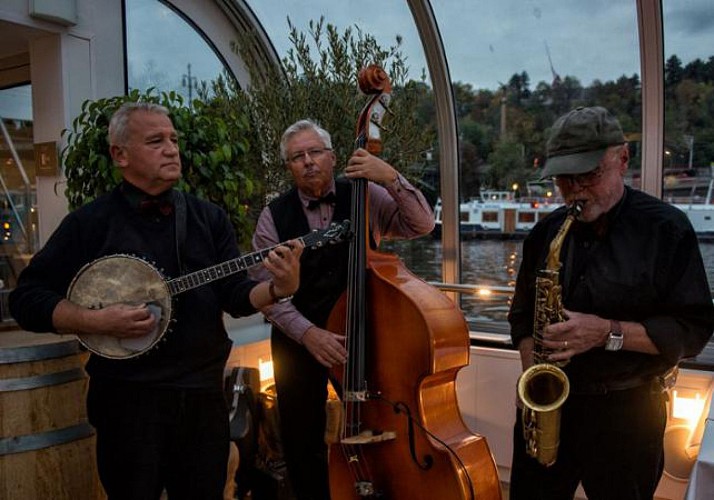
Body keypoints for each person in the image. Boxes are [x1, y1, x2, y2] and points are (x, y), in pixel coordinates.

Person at [9, 102, 304, 500]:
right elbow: (26, 298)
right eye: (156, 141)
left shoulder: (207, 218)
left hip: (200, 400)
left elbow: (234, 294)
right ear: (120, 155)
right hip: (127, 403)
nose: (171, 149)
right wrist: (93, 321)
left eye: (173, 140)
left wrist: (277, 288)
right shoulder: (89, 223)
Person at [508, 105, 714, 499]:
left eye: (587, 175)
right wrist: (536, 384)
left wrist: (607, 333)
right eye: (563, 180)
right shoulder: (545, 233)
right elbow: (521, 316)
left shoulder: (666, 230)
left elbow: (691, 330)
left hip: (627, 414)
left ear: (622, 159)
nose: (574, 191)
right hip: (550, 408)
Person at [249, 119, 435, 499]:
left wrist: (389, 177)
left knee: (375, 424)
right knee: (301, 440)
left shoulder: (366, 195)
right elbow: (262, 289)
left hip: (363, 332)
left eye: (315, 152)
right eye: (297, 157)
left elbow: (421, 224)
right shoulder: (273, 216)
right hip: (297, 337)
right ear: (289, 166)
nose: (308, 162)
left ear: (333, 157)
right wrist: (308, 333)